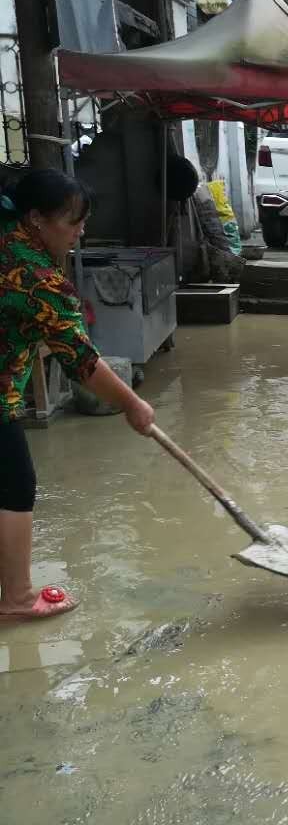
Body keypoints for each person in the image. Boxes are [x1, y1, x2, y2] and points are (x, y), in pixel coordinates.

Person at [1, 170, 155, 621]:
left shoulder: (7, 240)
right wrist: (132, 403)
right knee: (14, 485)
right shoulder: (39, 282)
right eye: (73, 221)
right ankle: (15, 598)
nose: (80, 231)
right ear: (35, 219)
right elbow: (81, 362)